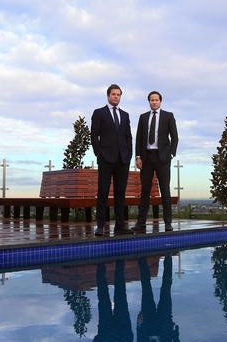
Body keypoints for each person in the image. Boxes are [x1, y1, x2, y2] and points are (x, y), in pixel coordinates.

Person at [133, 91, 178, 232]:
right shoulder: (143, 117)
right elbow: (139, 138)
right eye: (152, 100)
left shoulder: (168, 116)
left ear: (160, 101)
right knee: (145, 191)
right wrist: (138, 156)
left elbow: (175, 137)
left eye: (156, 100)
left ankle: (168, 223)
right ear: (149, 102)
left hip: (162, 158)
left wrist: (171, 153)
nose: (154, 102)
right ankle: (141, 223)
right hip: (146, 158)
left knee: (165, 190)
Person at [90, 84, 133, 236]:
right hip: (106, 158)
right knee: (103, 191)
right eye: (113, 94)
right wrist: (98, 153)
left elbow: (128, 137)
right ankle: (100, 225)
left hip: (122, 159)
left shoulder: (125, 115)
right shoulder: (99, 113)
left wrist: (129, 156)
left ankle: (120, 226)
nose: (116, 97)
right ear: (108, 96)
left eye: (118, 94)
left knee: (120, 193)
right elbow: (94, 135)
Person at [136, 255, 179, 341]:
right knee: (165, 288)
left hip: (149, 322)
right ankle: (167, 256)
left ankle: (142, 257)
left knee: (147, 288)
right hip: (163, 322)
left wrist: (139, 324)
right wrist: (175, 332)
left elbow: (139, 338)